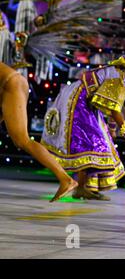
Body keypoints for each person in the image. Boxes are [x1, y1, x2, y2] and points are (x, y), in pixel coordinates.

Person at [41, 54, 125, 200]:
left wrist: (112, 129)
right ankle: (78, 186)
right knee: (91, 144)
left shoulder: (123, 78)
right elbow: (115, 112)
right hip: (78, 100)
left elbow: (111, 106)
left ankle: (85, 188)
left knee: (98, 143)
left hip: (86, 101)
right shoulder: (120, 79)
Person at [0, 61, 78, 202]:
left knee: (22, 140)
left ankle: (65, 179)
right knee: (22, 140)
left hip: (11, 84)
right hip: (13, 82)